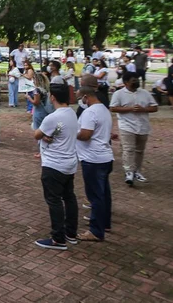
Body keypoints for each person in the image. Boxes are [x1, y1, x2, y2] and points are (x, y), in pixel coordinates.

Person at [33, 83, 79, 250]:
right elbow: (59, 132)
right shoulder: (72, 114)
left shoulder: (53, 117)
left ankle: (58, 238)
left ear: (52, 98)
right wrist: (49, 136)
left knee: (54, 201)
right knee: (69, 197)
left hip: (54, 164)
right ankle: (71, 233)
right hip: (69, 162)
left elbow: (37, 133)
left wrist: (45, 135)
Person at [75, 75, 112, 242]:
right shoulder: (104, 109)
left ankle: (96, 230)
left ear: (86, 97)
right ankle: (104, 223)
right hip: (104, 157)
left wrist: (72, 133)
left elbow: (85, 135)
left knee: (96, 196)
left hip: (93, 159)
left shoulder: (90, 112)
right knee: (104, 194)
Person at [109, 70, 157, 186]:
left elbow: (154, 107)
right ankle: (129, 172)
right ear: (126, 82)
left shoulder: (145, 93)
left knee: (139, 150)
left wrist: (144, 109)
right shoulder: (119, 94)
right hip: (126, 125)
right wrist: (130, 109)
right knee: (128, 149)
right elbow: (113, 108)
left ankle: (137, 171)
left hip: (143, 126)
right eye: (133, 81)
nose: (136, 83)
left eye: (137, 80)